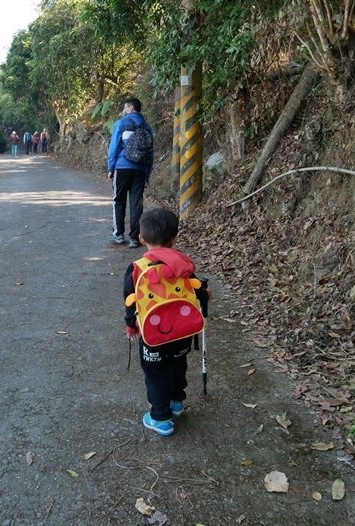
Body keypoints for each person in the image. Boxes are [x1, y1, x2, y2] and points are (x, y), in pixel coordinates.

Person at [123, 208, 210, 437]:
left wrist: (131, 325)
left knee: (156, 374)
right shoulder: (183, 266)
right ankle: (176, 403)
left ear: (141, 238)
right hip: (181, 332)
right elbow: (198, 291)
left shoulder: (136, 269)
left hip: (152, 335)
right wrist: (206, 294)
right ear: (174, 239)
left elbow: (130, 303)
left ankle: (161, 418)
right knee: (177, 366)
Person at [107, 97, 154, 249]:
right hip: (140, 169)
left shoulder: (121, 123)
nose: (124, 110)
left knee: (118, 201)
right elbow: (150, 153)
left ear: (131, 108)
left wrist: (110, 167)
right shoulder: (147, 126)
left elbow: (114, 146)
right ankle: (134, 238)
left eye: (125, 107)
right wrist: (147, 173)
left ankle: (118, 235)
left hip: (122, 167)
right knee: (136, 203)